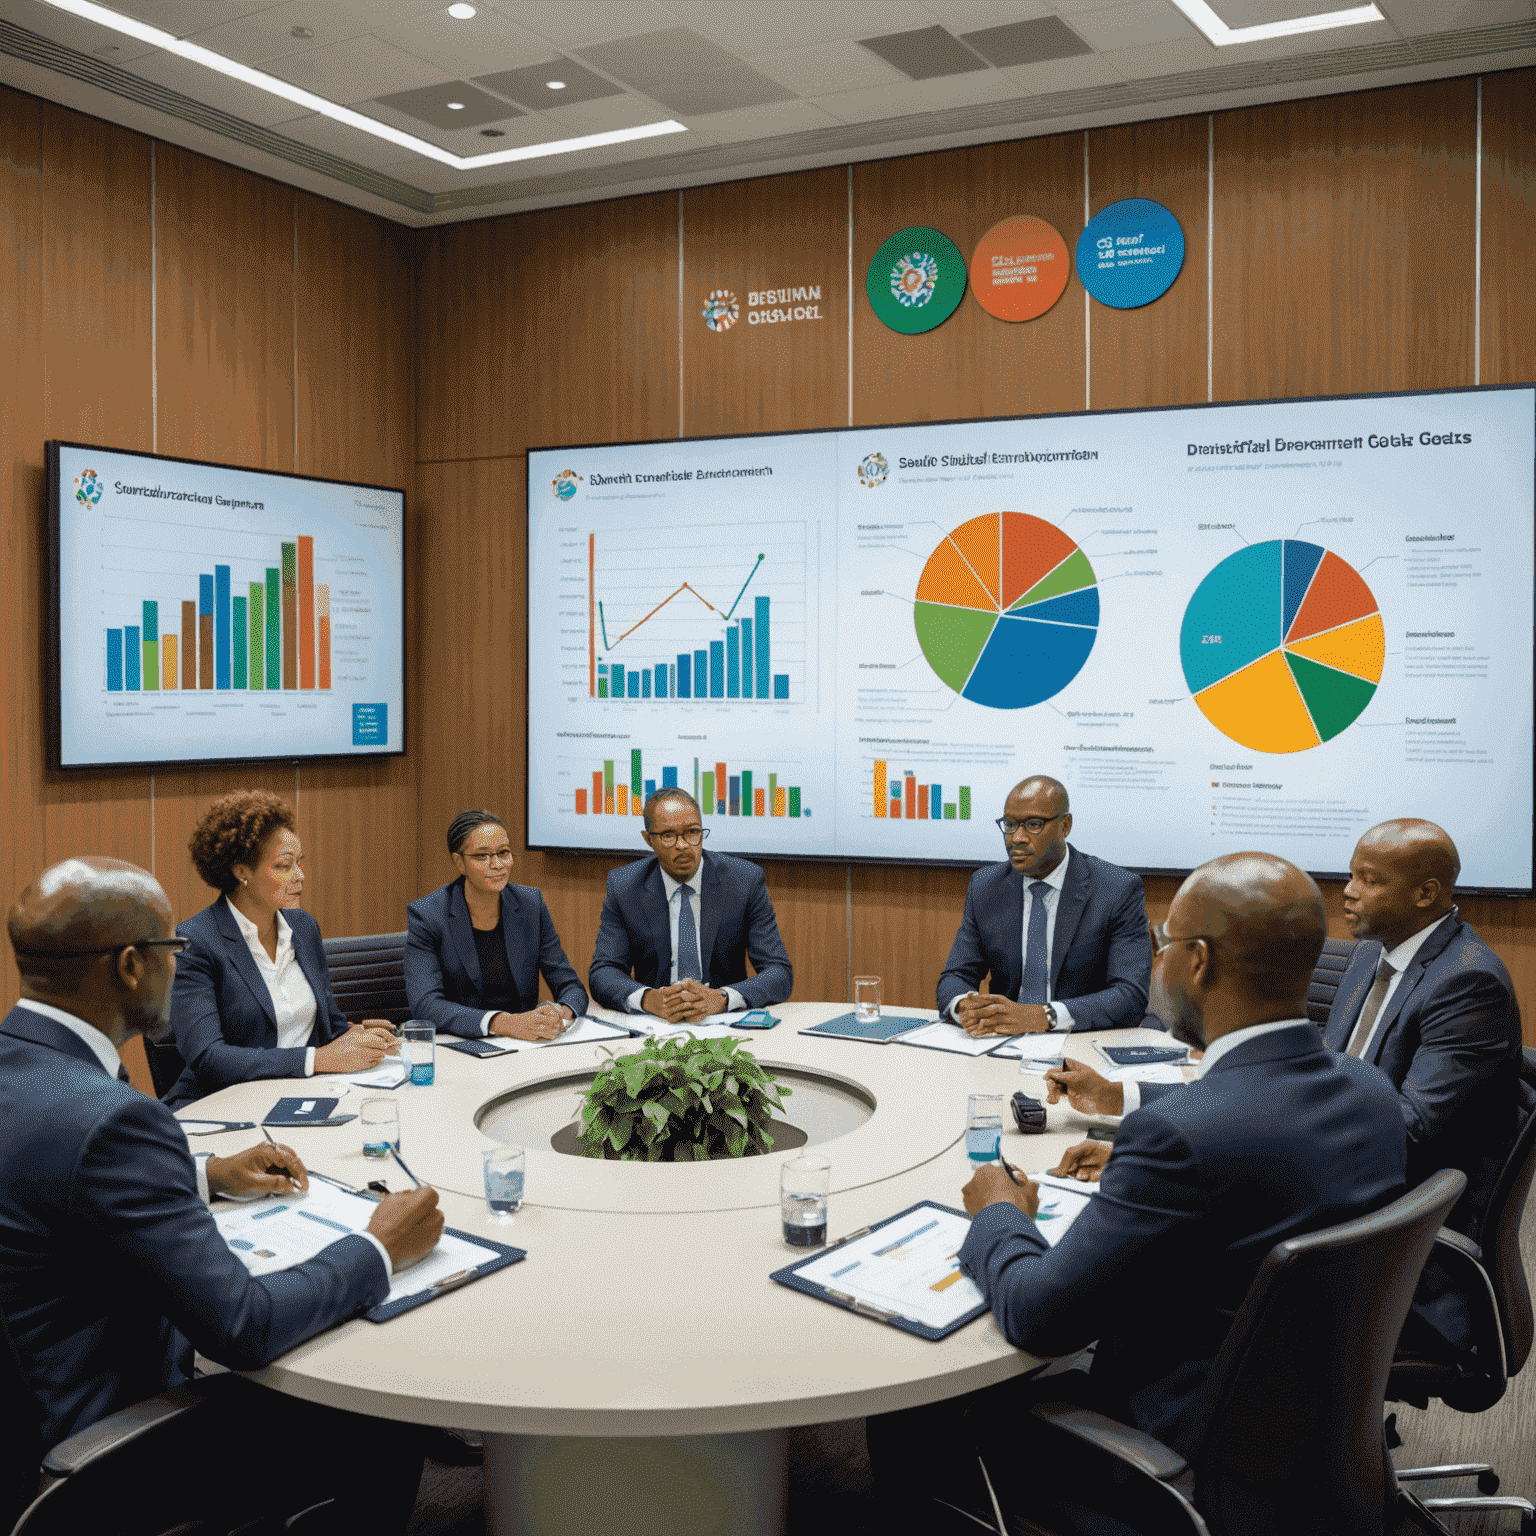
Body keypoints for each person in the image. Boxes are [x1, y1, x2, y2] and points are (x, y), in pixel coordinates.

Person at [869, 852, 1407, 1531]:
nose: (1157, 963)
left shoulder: (1178, 1137)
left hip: (1175, 1457)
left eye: (1164, 945)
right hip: (1311, 1443)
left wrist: (1000, 1211)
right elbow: (1264, 1168)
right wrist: (1135, 1161)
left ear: (1200, 962)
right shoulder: (1373, 1093)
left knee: (910, 1412)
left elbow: (1039, 1317)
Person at [0, 856, 442, 1527]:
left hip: (29, 1418)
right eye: (169, 950)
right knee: (383, 1406)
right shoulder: (115, 1120)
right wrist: (377, 1248)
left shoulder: (26, 1066)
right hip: (106, 1450)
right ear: (128, 966)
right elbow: (244, 1327)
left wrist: (205, 1173)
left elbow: (53, 1180)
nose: (176, 967)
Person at [1048, 819, 1526, 1236]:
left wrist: (1201, 1163)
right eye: (1352, 874)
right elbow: (1303, 1090)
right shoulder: (1369, 955)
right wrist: (1121, 1097)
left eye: (1371, 880)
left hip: (1388, 1218)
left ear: (1426, 893)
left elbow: (1409, 1132)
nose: (1349, 890)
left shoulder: (1467, 983)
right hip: (1340, 1172)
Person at [166, 790, 398, 1106]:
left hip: (303, 1097)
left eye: (299, 863)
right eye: (283, 866)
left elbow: (327, 1025)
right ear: (242, 872)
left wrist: (357, 1037)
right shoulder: (197, 941)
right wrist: (315, 1060)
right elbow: (209, 1057)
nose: (299, 877)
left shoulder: (302, 926)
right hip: (224, 1104)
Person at [935, 775, 1150, 1035]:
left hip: (1079, 1042)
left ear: (1065, 826)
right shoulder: (986, 887)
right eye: (1010, 825)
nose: (1017, 838)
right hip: (1001, 1042)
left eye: (1033, 825)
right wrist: (964, 1008)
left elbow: (1130, 995)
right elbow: (955, 976)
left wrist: (1043, 1016)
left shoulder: (1116, 889)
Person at [587, 788, 792, 1022]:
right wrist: (648, 999)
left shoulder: (744, 881)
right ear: (648, 839)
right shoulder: (625, 886)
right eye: (668, 836)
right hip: (656, 1022)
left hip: (721, 1022)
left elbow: (779, 972)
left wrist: (724, 998)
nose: (683, 845)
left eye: (692, 832)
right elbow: (603, 973)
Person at [405, 809, 588, 1040]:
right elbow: (426, 1005)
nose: (498, 864)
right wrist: (503, 1023)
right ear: (459, 862)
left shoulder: (531, 904)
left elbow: (570, 985)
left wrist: (560, 1013)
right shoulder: (428, 915)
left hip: (526, 1042)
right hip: (462, 1043)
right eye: (482, 856)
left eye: (504, 852)